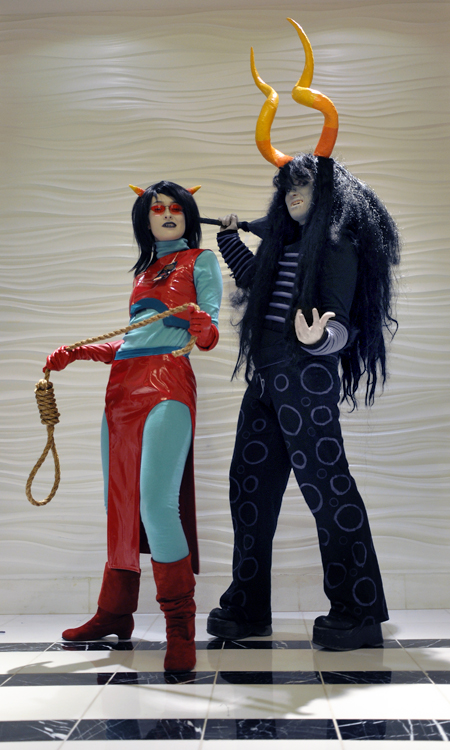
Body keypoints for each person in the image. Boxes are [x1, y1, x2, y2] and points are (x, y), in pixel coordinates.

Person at [206, 20, 400, 650]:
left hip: (307, 379)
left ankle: (358, 611)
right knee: (248, 490)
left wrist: (321, 340)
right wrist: (230, 241)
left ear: (326, 190)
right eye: (287, 188)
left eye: (304, 185)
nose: (293, 196)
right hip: (266, 378)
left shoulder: (338, 246)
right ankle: (247, 607)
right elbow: (258, 285)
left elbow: (340, 324)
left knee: (327, 490)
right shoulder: (282, 247)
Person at [44, 180, 223, 672]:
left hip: (168, 379)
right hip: (122, 386)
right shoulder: (145, 272)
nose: (166, 214)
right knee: (119, 505)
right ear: (145, 219)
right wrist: (79, 352)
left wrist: (204, 329)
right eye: (156, 208)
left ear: (188, 214)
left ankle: (179, 628)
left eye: (175, 207)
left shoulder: (201, 260)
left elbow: (206, 328)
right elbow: (131, 341)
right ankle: (115, 612)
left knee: (156, 502)